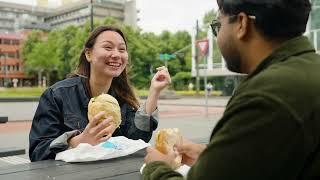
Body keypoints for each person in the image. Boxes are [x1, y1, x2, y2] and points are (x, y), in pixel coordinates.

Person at [143, 0, 320, 179]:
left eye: (218, 25)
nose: (217, 37)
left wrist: (157, 167)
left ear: (242, 24)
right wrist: (211, 157)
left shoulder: (266, 95)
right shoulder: (308, 72)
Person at [29, 25, 171, 162]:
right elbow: (37, 151)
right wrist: (78, 141)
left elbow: (137, 139)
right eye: (108, 47)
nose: (116, 54)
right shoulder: (57, 95)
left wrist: (154, 91)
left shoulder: (121, 98)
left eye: (122, 49)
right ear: (88, 54)